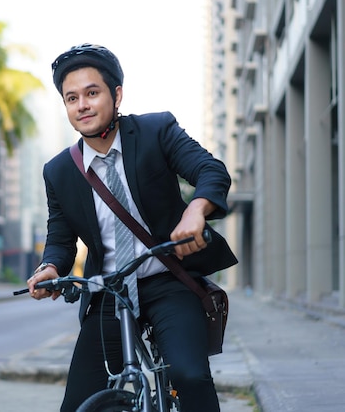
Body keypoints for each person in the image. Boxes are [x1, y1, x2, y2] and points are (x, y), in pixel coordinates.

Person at [27, 44, 238, 412]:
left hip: (168, 280)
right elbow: (61, 237)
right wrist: (50, 267)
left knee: (189, 376)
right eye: (71, 98)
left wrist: (196, 212)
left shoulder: (156, 131)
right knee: (77, 403)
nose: (82, 105)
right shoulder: (59, 171)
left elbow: (210, 170)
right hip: (110, 290)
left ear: (116, 94)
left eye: (92, 93)